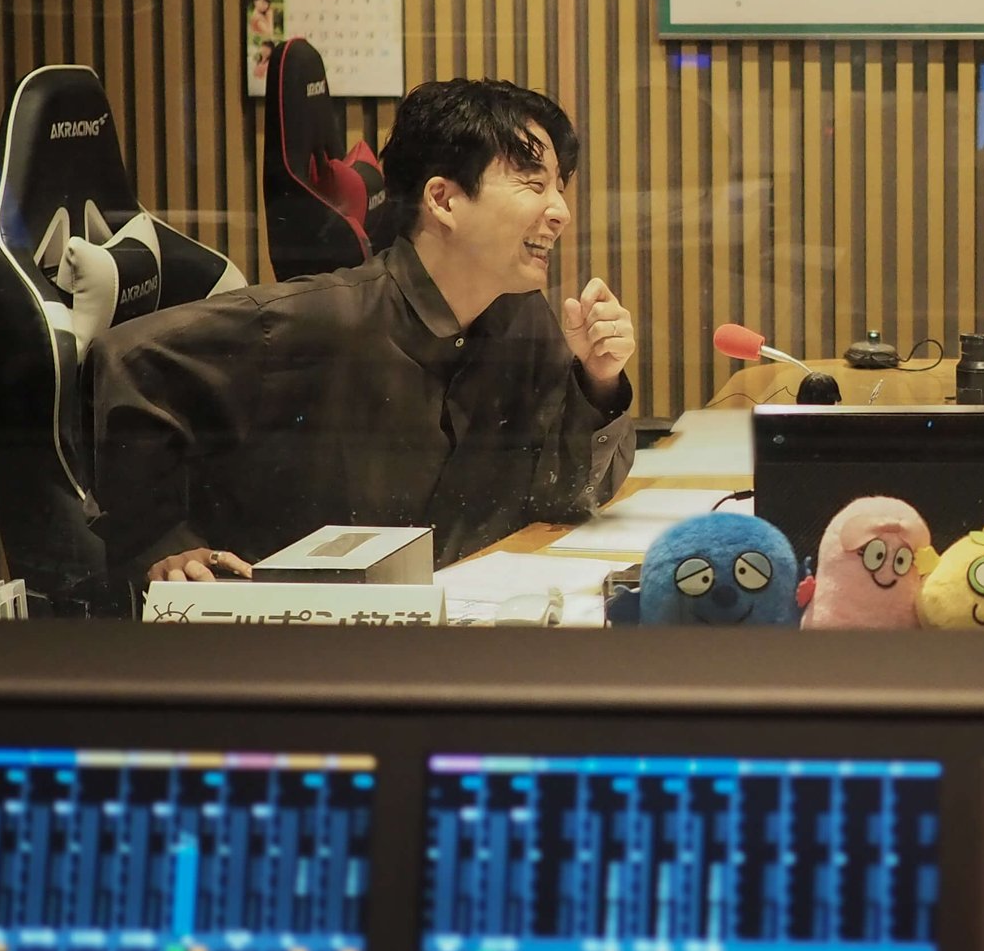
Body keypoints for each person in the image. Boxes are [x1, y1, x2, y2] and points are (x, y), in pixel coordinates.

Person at [88, 79, 638, 592]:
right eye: (534, 184)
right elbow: (127, 357)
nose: (561, 212)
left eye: (559, 187)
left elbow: (567, 496)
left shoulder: (520, 318)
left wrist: (598, 380)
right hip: (302, 636)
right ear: (443, 200)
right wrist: (161, 543)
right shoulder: (320, 320)